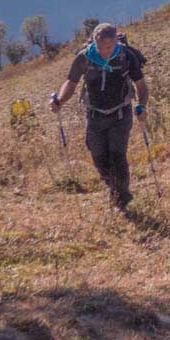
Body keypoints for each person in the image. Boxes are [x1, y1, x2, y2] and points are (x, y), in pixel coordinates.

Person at [50, 22, 149, 213]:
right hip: (94, 114)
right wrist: (60, 101)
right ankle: (115, 188)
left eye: (109, 47)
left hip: (121, 113)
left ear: (115, 43)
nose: (104, 51)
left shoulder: (126, 56)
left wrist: (142, 106)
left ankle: (121, 199)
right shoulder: (84, 58)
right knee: (98, 157)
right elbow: (71, 83)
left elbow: (141, 86)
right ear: (94, 42)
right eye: (101, 47)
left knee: (117, 156)